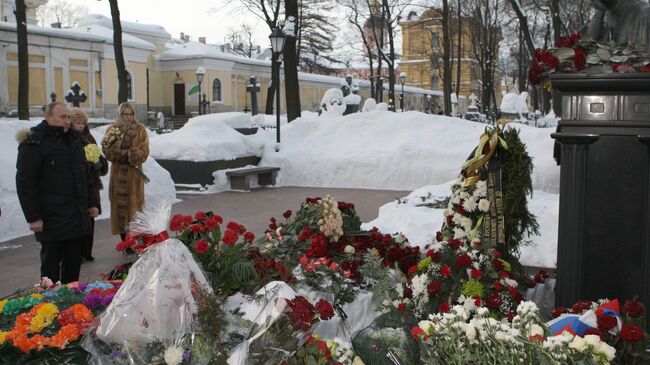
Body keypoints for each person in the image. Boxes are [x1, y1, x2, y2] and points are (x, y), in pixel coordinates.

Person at [16, 102, 99, 283]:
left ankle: (71, 306)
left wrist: (92, 203)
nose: (67, 121)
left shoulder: (74, 140)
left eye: (68, 117)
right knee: (50, 270)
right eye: (62, 117)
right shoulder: (34, 143)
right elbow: (25, 183)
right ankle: (49, 307)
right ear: (48, 117)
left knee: (73, 267)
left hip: (75, 216)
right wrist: (33, 217)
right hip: (50, 218)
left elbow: (85, 176)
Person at [101, 102, 149, 240]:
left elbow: (144, 152)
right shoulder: (112, 129)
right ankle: (125, 242)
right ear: (119, 114)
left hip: (134, 176)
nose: (128, 117)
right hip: (118, 176)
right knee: (120, 209)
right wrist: (120, 154)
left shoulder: (140, 130)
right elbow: (108, 152)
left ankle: (137, 240)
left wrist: (127, 154)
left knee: (136, 208)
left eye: (131, 114)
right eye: (125, 114)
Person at [70, 108, 109, 262]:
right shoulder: (71, 139)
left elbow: (99, 155)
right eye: (77, 123)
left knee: (90, 217)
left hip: (91, 183)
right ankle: (77, 252)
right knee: (79, 218)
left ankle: (87, 250)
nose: (80, 126)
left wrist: (99, 164)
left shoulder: (88, 137)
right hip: (78, 183)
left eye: (82, 123)